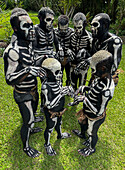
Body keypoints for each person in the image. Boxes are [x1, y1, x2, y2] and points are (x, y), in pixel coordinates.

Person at [3, 8, 46, 158]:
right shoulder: (12, 51)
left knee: (32, 115)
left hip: (34, 89)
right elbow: (9, 79)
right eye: (26, 26)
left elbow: (33, 61)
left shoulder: (28, 43)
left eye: (31, 24)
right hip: (23, 93)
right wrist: (28, 71)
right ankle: (26, 147)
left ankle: (31, 126)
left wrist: (44, 57)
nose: (32, 29)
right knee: (28, 121)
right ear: (15, 29)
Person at [69, 50, 115, 156]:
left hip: (95, 116)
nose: (92, 72)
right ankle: (82, 134)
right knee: (82, 122)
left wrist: (85, 100)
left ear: (103, 69)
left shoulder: (107, 90)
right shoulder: (100, 78)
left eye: (93, 70)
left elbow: (99, 112)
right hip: (87, 111)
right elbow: (94, 90)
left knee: (92, 132)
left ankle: (91, 148)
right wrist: (85, 87)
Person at [41, 58, 74, 156]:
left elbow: (61, 91)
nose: (60, 74)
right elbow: (49, 104)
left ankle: (59, 135)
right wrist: (60, 94)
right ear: (47, 73)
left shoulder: (58, 82)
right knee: (50, 128)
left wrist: (69, 90)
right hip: (51, 112)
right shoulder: (45, 87)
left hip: (60, 110)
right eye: (57, 72)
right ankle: (47, 144)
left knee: (59, 123)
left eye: (60, 71)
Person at [33, 7, 64, 112]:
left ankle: (54, 99)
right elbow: (33, 49)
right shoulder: (35, 30)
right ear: (41, 19)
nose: (50, 23)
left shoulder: (51, 30)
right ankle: (43, 104)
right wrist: (45, 56)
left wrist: (59, 49)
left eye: (52, 20)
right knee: (45, 82)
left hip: (51, 58)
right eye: (48, 20)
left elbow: (56, 42)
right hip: (40, 59)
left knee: (57, 78)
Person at [90, 13, 122, 86]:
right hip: (95, 75)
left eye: (95, 25)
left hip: (107, 77)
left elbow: (114, 64)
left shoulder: (115, 41)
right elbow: (92, 57)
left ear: (105, 25)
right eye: (91, 25)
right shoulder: (95, 41)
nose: (92, 28)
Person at [67, 12, 92, 90]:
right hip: (73, 64)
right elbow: (69, 47)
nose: (77, 30)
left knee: (81, 86)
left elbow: (92, 54)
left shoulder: (89, 38)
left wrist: (85, 53)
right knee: (73, 84)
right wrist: (68, 50)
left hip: (83, 66)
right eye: (75, 28)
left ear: (84, 26)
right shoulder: (72, 36)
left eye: (79, 27)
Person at [54, 15, 74, 85]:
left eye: (65, 29)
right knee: (59, 75)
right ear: (58, 25)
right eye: (61, 29)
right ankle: (59, 88)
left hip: (68, 59)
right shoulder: (54, 32)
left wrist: (70, 49)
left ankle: (68, 87)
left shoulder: (72, 32)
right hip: (59, 59)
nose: (63, 32)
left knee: (69, 75)